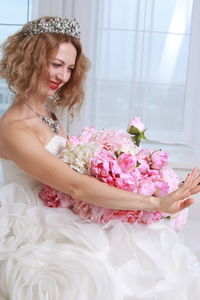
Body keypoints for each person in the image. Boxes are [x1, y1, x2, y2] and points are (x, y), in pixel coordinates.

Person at [0, 16, 199, 300]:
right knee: (98, 266)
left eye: (69, 68)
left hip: (61, 208)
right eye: (56, 64)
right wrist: (154, 202)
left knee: (142, 244)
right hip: (35, 220)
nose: (63, 76)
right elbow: (75, 186)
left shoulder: (45, 113)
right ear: (30, 59)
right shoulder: (13, 128)